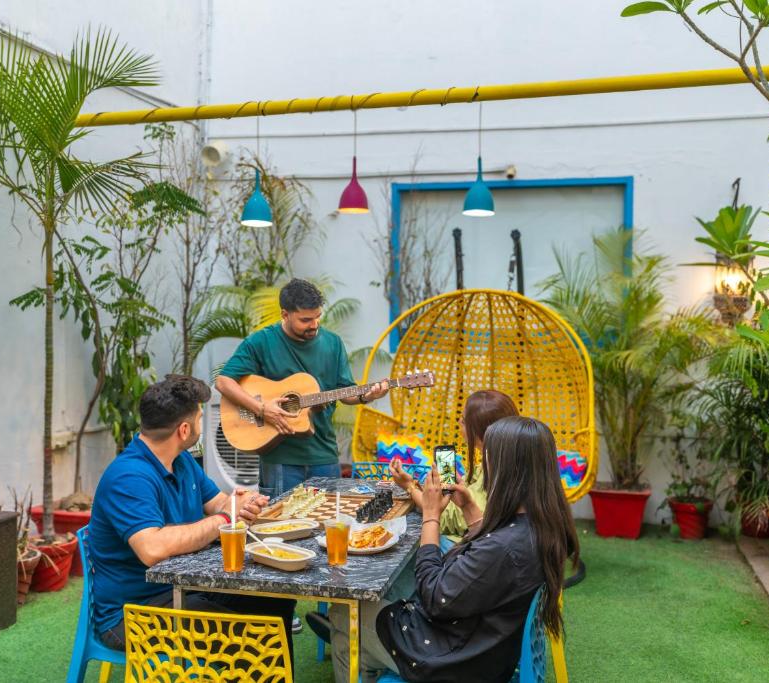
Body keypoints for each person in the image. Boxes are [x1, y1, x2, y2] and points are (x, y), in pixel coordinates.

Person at [336, 416, 580, 683]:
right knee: (389, 596)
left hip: (457, 661)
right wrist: (469, 508)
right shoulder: (546, 525)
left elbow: (434, 597)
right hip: (491, 648)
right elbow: (496, 554)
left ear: (507, 469)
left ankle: (367, 665)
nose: (485, 464)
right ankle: (371, 663)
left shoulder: (504, 548)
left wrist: (431, 515)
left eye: (489, 457)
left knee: (344, 610)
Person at [88, 374, 296, 654]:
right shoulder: (129, 477)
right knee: (252, 633)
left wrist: (242, 504)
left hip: (184, 587)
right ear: (184, 430)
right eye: (200, 418)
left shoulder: (181, 459)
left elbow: (219, 502)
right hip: (134, 613)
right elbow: (152, 548)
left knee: (274, 600)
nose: (202, 425)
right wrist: (225, 519)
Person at [215, 278, 388, 498]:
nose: (314, 325)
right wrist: (261, 408)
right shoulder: (261, 342)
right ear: (285, 315)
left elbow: (346, 391)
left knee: (326, 524)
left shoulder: (333, 343)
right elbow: (224, 382)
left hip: (324, 455)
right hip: (280, 460)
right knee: (278, 525)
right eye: (305, 320)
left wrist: (367, 397)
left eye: (317, 317)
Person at [390, 389, 518, 542]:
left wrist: (409, 486)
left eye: (463, 420)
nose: (458, 422)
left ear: (479, 430)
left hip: (466, 547)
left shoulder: (494, 469)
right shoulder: (498, 458)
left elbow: (442, 518)